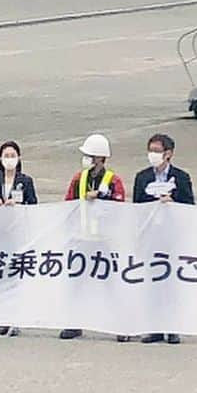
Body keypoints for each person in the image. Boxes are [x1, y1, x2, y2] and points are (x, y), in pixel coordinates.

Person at [130, 132, 195, 345]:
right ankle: (154, 327)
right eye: (151, 151)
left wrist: (173, 201)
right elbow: (137, 207)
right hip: (151, 237)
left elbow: (190, 206)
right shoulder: (142, 177)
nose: (153, 155)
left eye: (157, 151)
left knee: (172, 284)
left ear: (169, 154)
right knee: (152, 284)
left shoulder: (181, 177)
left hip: (171, 237)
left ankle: (172, 327)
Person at [60, 133, 125, 341]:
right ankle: (74, 323)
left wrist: (102, 198)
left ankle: (121, 326)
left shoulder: (113, 180)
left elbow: (119, 209)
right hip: (82, 240)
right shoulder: (79, 178)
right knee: (76, 284)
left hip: (104, 242)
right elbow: (68, 204)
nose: (86, 158)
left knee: (111, 286)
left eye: (90, 155)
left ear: (100, 158)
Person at [0, 140, 38, 338]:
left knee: (15, 276)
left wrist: (18, 207)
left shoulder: (26, 181)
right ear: (0, 159)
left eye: (13, 155)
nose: (9, 159)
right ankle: (1, 318)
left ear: (19, 158)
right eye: (6, 155)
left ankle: (15, 318)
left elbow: (34, 206)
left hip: (17, 236)